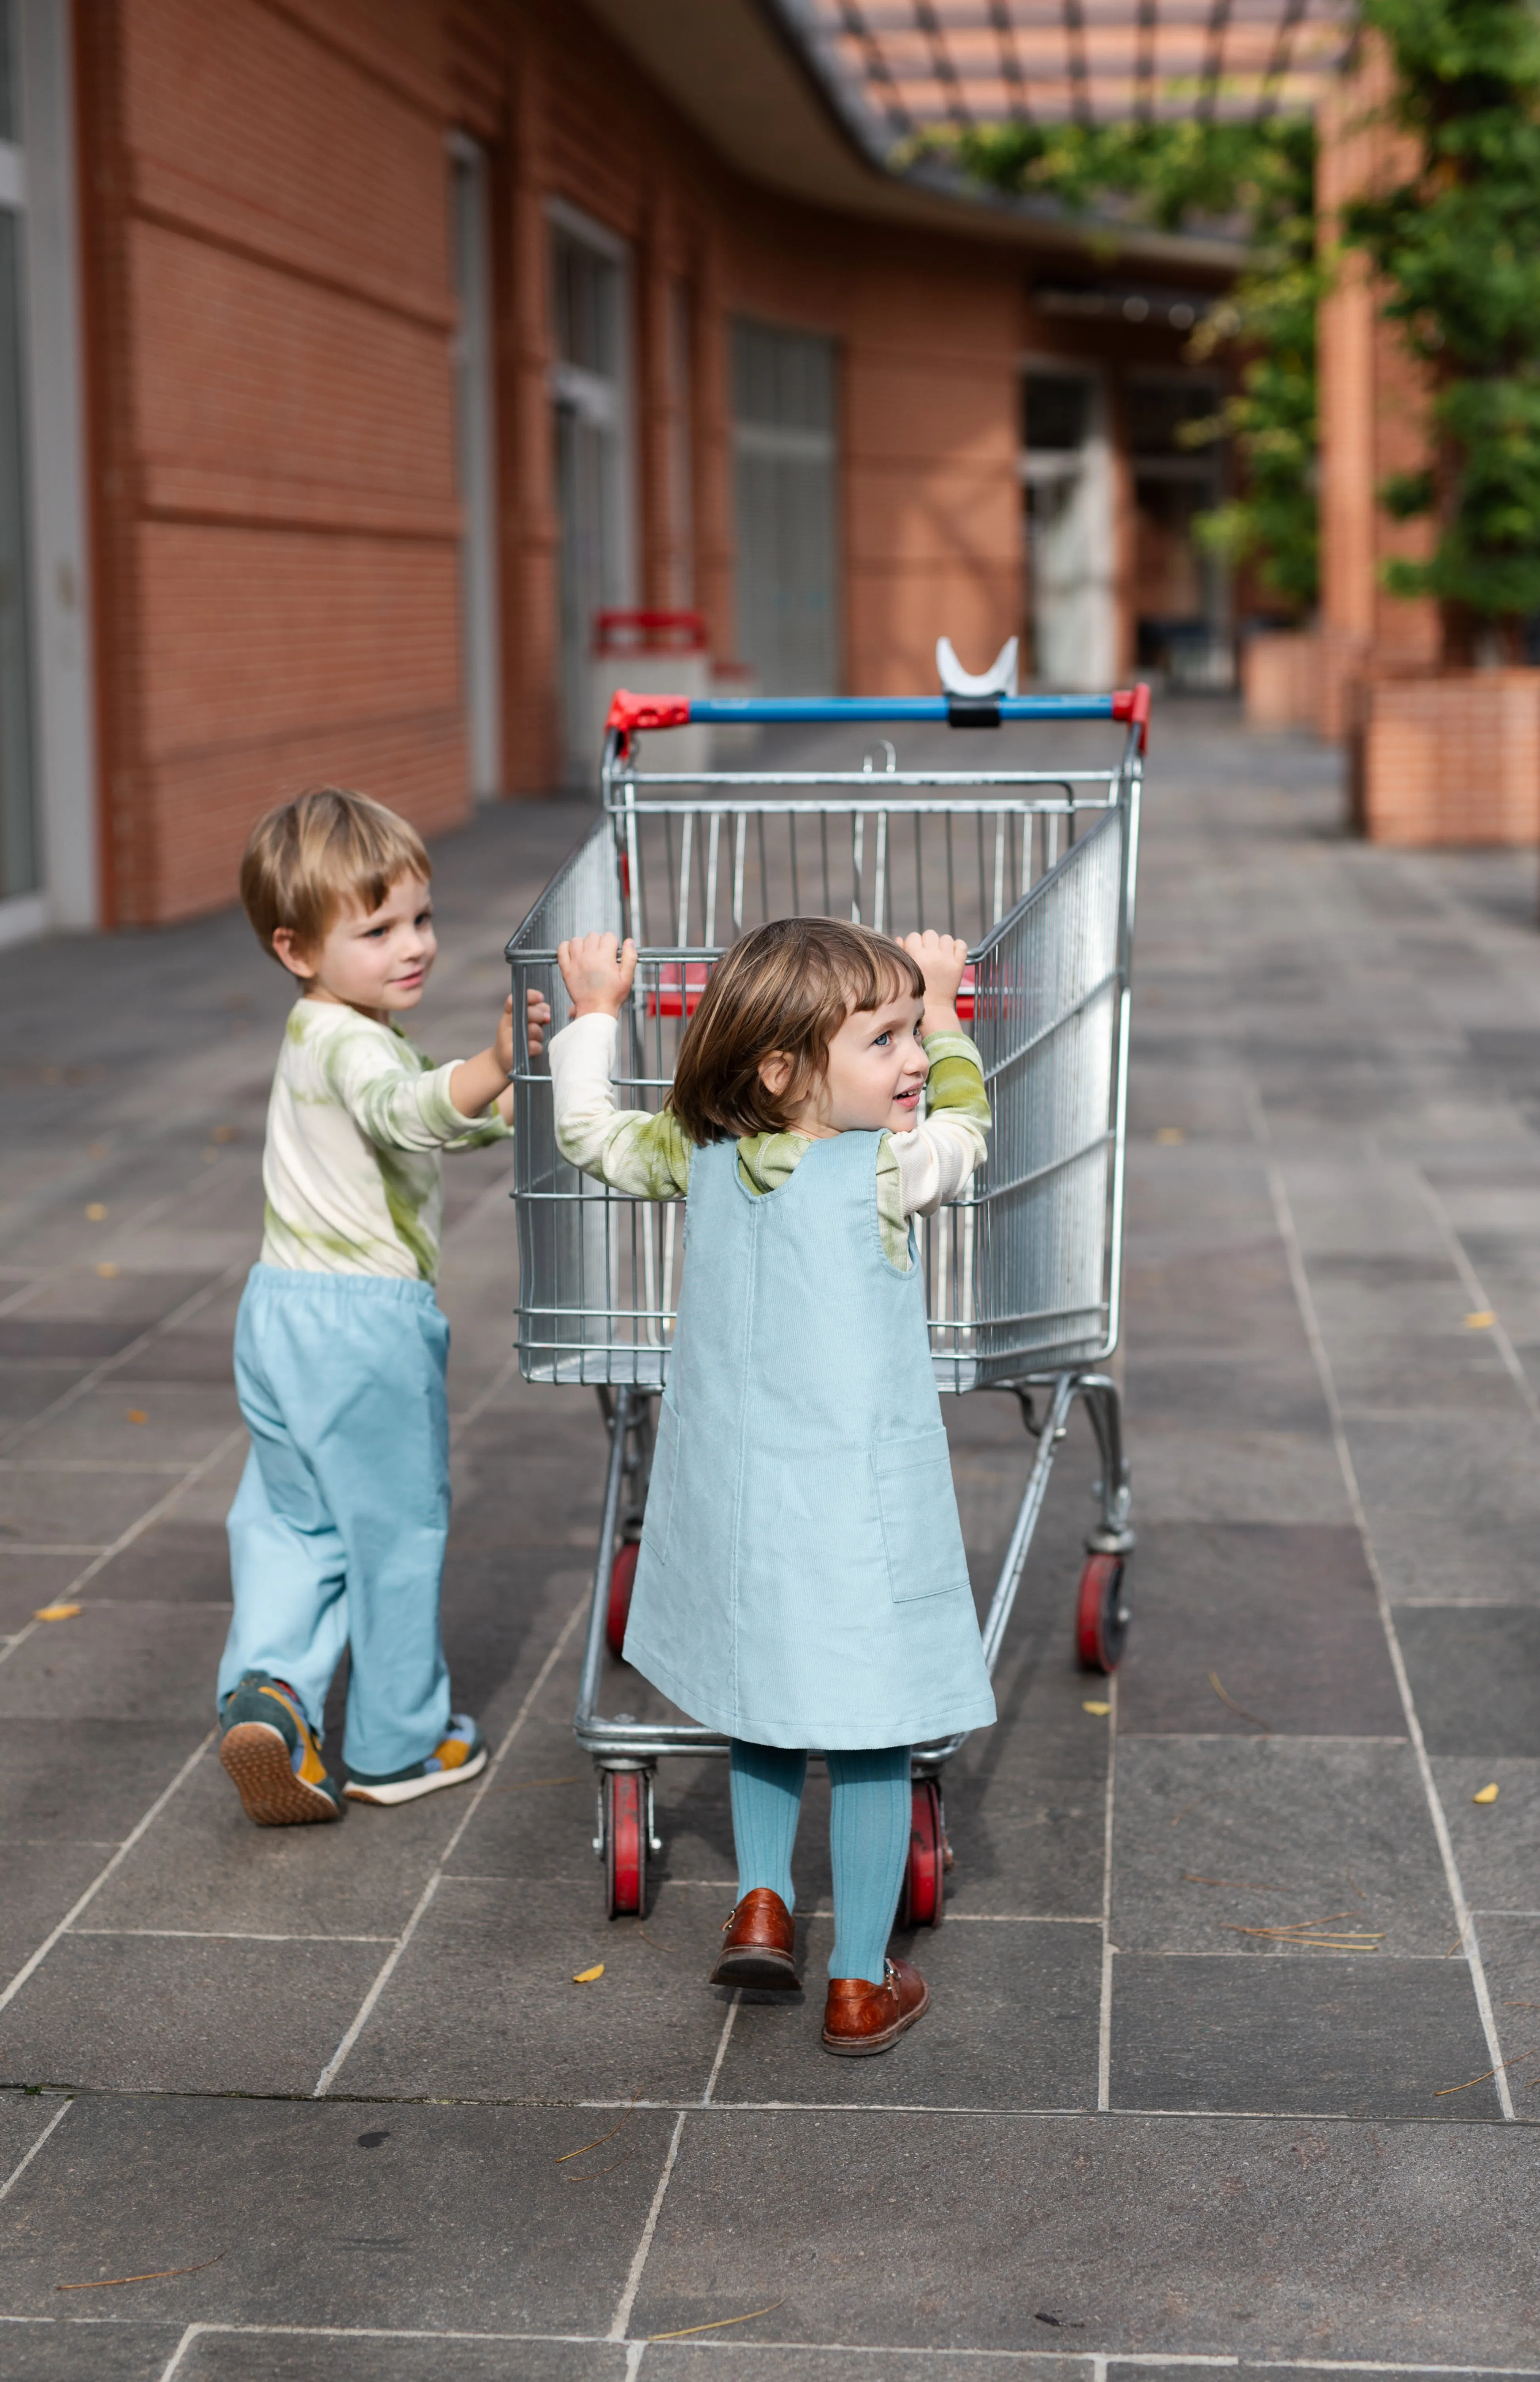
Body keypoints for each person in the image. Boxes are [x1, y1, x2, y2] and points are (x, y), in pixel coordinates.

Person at [551, 916, 995, 2054]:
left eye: (907, 1033)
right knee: (870, 1728)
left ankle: (761, 1900)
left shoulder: (695, 1154)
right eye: (882, 1038)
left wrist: (596, 1017)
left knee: (758, 1696)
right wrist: (947, 1009)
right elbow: (971, 1125)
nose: (905, 1060)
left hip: (739, 1501)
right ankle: (858, 1978)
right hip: (855, 1511)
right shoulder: (889, 1168)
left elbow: (591, 1133)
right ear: (785, 1068)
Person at [218, 786, 550, 1826]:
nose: (414, 946)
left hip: (277, 1313)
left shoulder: (321, 1026)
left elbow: (421, 1119)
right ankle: (402, 1739)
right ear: (294, 947)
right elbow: (408, 1111)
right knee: (397, 1531)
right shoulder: (358, 1046)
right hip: (363, 1327)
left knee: (288, 1521)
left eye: (420, 917)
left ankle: (273, 1693)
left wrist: (499, 1095)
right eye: (377, 929)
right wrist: (496, 1064)